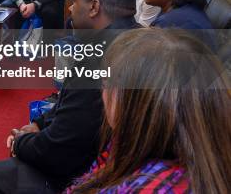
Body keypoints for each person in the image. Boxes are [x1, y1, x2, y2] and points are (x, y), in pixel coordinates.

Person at [0, 0, 140, 194]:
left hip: (90, 174)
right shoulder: (138, 36)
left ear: (94, 7)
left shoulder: (98, 60)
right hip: (121, 161)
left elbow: (60, 150)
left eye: (75, 1)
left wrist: (20, 142)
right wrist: (40, 123)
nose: (71, 9)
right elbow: (75, 107)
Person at [67, 28, 230, 193]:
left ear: (135, 103)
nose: (103, 93)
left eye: (106, 84)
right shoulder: (127, 141)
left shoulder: (153, 187)